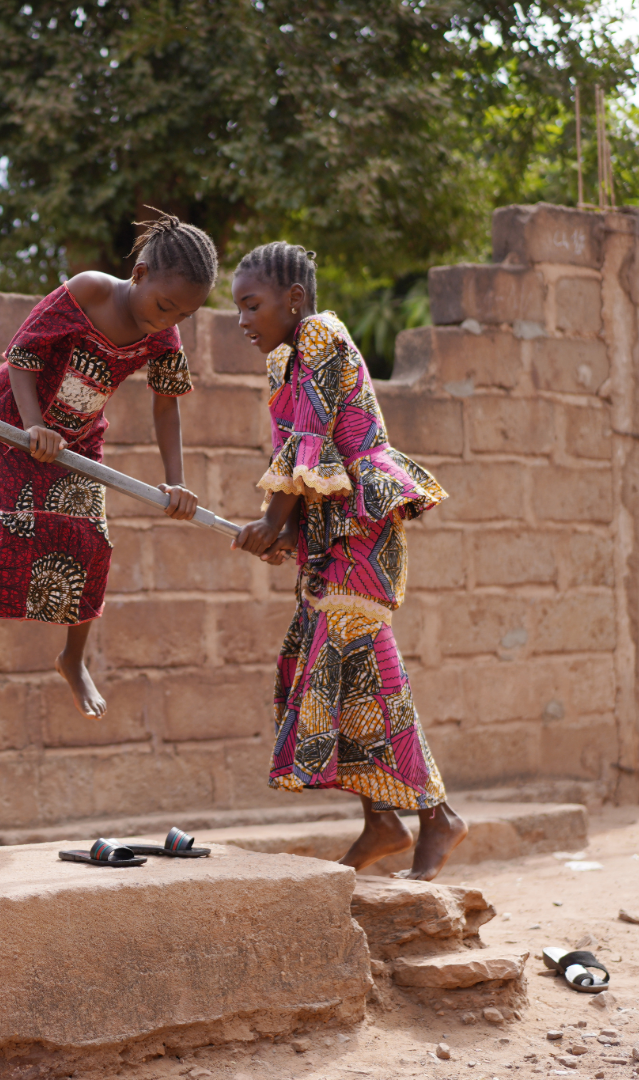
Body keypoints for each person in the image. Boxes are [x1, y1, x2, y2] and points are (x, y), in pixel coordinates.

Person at [228, 242, 468, 881]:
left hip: (361, 533)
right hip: (330, 534)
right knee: (343, 671)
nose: (242, 321)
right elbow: (308, 466)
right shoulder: (286, 359)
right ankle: (381, 821)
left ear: (294, 300)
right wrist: (285, 534)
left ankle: (436, 815)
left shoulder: (318, 337)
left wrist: (271, 522)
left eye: (252, 305)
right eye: (237, 309)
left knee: (368, 667)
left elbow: (310, 441)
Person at [0, 212, 216, 717]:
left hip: (80, 434)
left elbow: (166, 403)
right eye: (164, 305)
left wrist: (177, 482)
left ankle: (73, 657)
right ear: (140, 274)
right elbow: (22, 354)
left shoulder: (163, 338)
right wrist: (30, 428)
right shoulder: (89, 291)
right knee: (12, 515)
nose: (168, 320)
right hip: (14, 411)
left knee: (92, 536)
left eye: (182, 316)